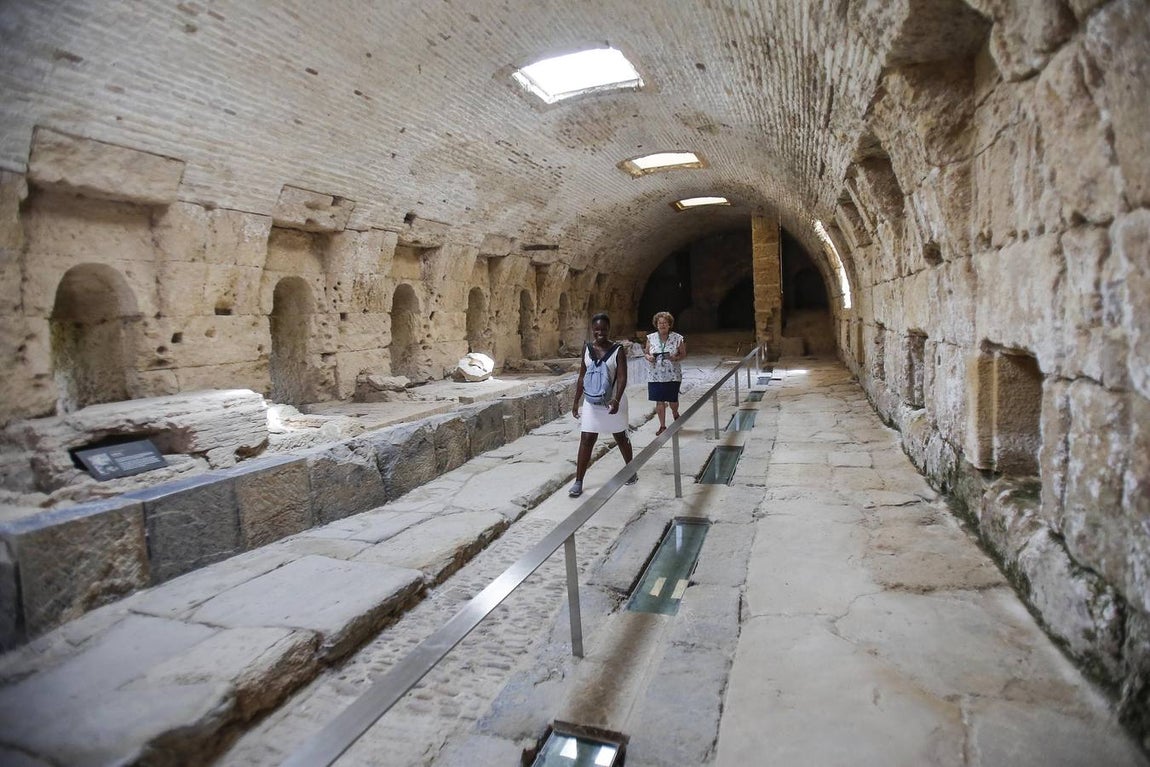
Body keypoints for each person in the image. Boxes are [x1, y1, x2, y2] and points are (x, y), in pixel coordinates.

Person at [569, 312, 636, 497]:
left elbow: (622, 377)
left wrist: (616, 399)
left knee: (620, 436)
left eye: (604, 329)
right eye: (597, 329)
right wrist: (576, 401)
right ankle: (579, 481)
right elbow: (582, 376)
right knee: (587, 439)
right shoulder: (587, 349)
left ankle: (631, 471)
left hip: (614, 401)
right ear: (592, 330)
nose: (600, 332)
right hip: (592, 401)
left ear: (609, 329)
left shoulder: (617, 350)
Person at [643, 311, 687, 435]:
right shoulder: (650, 338)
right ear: (656, 325)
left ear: (669, 325)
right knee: (659, 400)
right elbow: (646, 353)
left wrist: (675, 358)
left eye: (665, 323)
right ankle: (662, 426)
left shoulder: (678, 338)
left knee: (672, 400)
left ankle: (675, 412)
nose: (662, 325)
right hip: (655, 374)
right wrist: (649, 357)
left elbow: (683, 354)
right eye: (660, 323)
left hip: (672, 374)